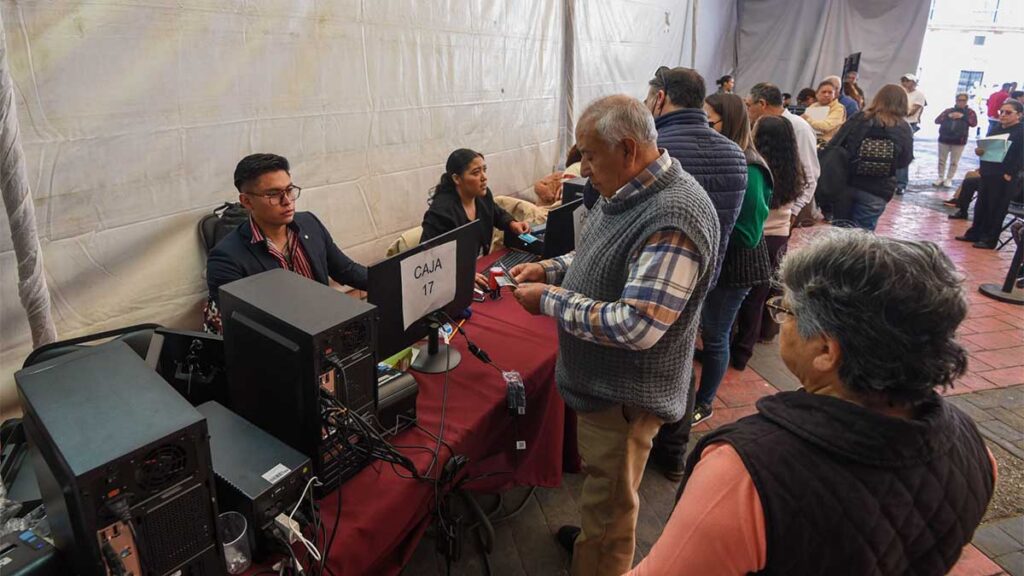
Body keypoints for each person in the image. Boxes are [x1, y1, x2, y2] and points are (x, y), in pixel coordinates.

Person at [627, 229, 995, 576]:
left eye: (786, 311)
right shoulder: (974, 449)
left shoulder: (745, 473)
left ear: (825, 351)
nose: (779, 318)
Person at [508, 94, 721, 576]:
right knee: (604, 495)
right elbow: (596, 256)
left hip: (626, 398)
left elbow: (636, 325)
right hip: (606, 390)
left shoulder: (675, 216)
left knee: (612, 511)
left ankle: (600, 560)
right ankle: (593, 540)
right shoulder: (624, 191)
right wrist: (550, 268)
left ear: (627, 149)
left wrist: (549, 299)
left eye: (589, 155)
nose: (583, 169)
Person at [643, 65, 747, 480]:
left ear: (660, 98)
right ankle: (673, 452)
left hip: (653, 276)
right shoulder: (735, 153)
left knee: (646, 359)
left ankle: (639, 443)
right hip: (705, 279)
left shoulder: (656, 149)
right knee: (682, 357)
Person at [204, 153, 368, 333]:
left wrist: (385, 280)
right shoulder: (226, 258)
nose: (287, 201)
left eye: (289, 190)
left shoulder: (309, 224)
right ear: (247, 201)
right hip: (282, 340)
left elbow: (346, 270)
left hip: (322, 327)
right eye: (273, 194)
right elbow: (247, 325)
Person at [690, 93, 772, 422]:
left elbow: (749, 234)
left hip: (736, 267)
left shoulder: (751, 168)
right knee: (708, 331)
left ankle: (704, 402)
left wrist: (708, 220)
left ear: (730, 122)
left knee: (716, 335)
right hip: (717, 261)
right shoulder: (722, 158)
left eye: (709, 122)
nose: (703, 128)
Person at [732, 115, 806, 369]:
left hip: (757, 237)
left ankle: (735, 347)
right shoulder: (794, 167)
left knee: (742, 295)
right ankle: (749, 346)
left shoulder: (756, 166)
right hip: (780, 237)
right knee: (764, 294)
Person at [744, 81, 819, 285]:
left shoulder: (798, 127)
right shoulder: (764, 127)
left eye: (749, 105)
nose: (747, 110)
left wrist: (793, 212)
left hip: (779, 220)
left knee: (765, 281)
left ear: (762, 104)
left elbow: (810, 176)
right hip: (769, 223)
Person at [420, 148, 530, 286]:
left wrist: (512, 223)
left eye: (484, 170)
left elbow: (496, 212)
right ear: (456, 178)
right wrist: (461, 273)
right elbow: (428, 256)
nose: (484, 177)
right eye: (476, 173)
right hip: (452, 276)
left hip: (479, 265)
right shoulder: (441, 212)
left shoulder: (482, 196)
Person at [827, 84, 914, 231]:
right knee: (864, 234)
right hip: (878, 189)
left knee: (839, 231)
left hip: (847, 182)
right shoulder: (904, 128)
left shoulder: (859, 118)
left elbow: (836, 144)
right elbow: (904, 161)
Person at [957, 99, 1023, 249]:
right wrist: (980, 151)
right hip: (989, 172)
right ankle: (975, 233)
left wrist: (1010, 173)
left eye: (1008, 112)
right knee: (981, 205)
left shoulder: (1020, 132)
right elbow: (988, 148)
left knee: (995, 208)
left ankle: (989, 239)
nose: (1003, 115)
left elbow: (1020, 156)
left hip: (1004, 175)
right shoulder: (996, 128)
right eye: (1001, 111)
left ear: (1019, 115)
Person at [934, 93, 978, 187]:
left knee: (954, 162)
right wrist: (948, 116)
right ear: (956, 100)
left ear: (966, 101)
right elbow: (937, 120)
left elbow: (973, 123)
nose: (961, 102)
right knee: (941, 160)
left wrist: (963, 117)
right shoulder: (948, 111)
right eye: (959, 100)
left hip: (959, 141)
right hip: (944, 139)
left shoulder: (970, 112)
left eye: (963, 100)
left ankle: (949, 178)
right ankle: (940, 177)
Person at [895, 74, 927, 195]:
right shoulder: (901, 93)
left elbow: (911, 111)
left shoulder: (919, 95)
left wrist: (898, 110)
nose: (904, 83)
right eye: (903, 80)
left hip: (909, 124)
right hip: (897, 122)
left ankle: (901, 183)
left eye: (907, 81)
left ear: (913, 83)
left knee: (904, 152)